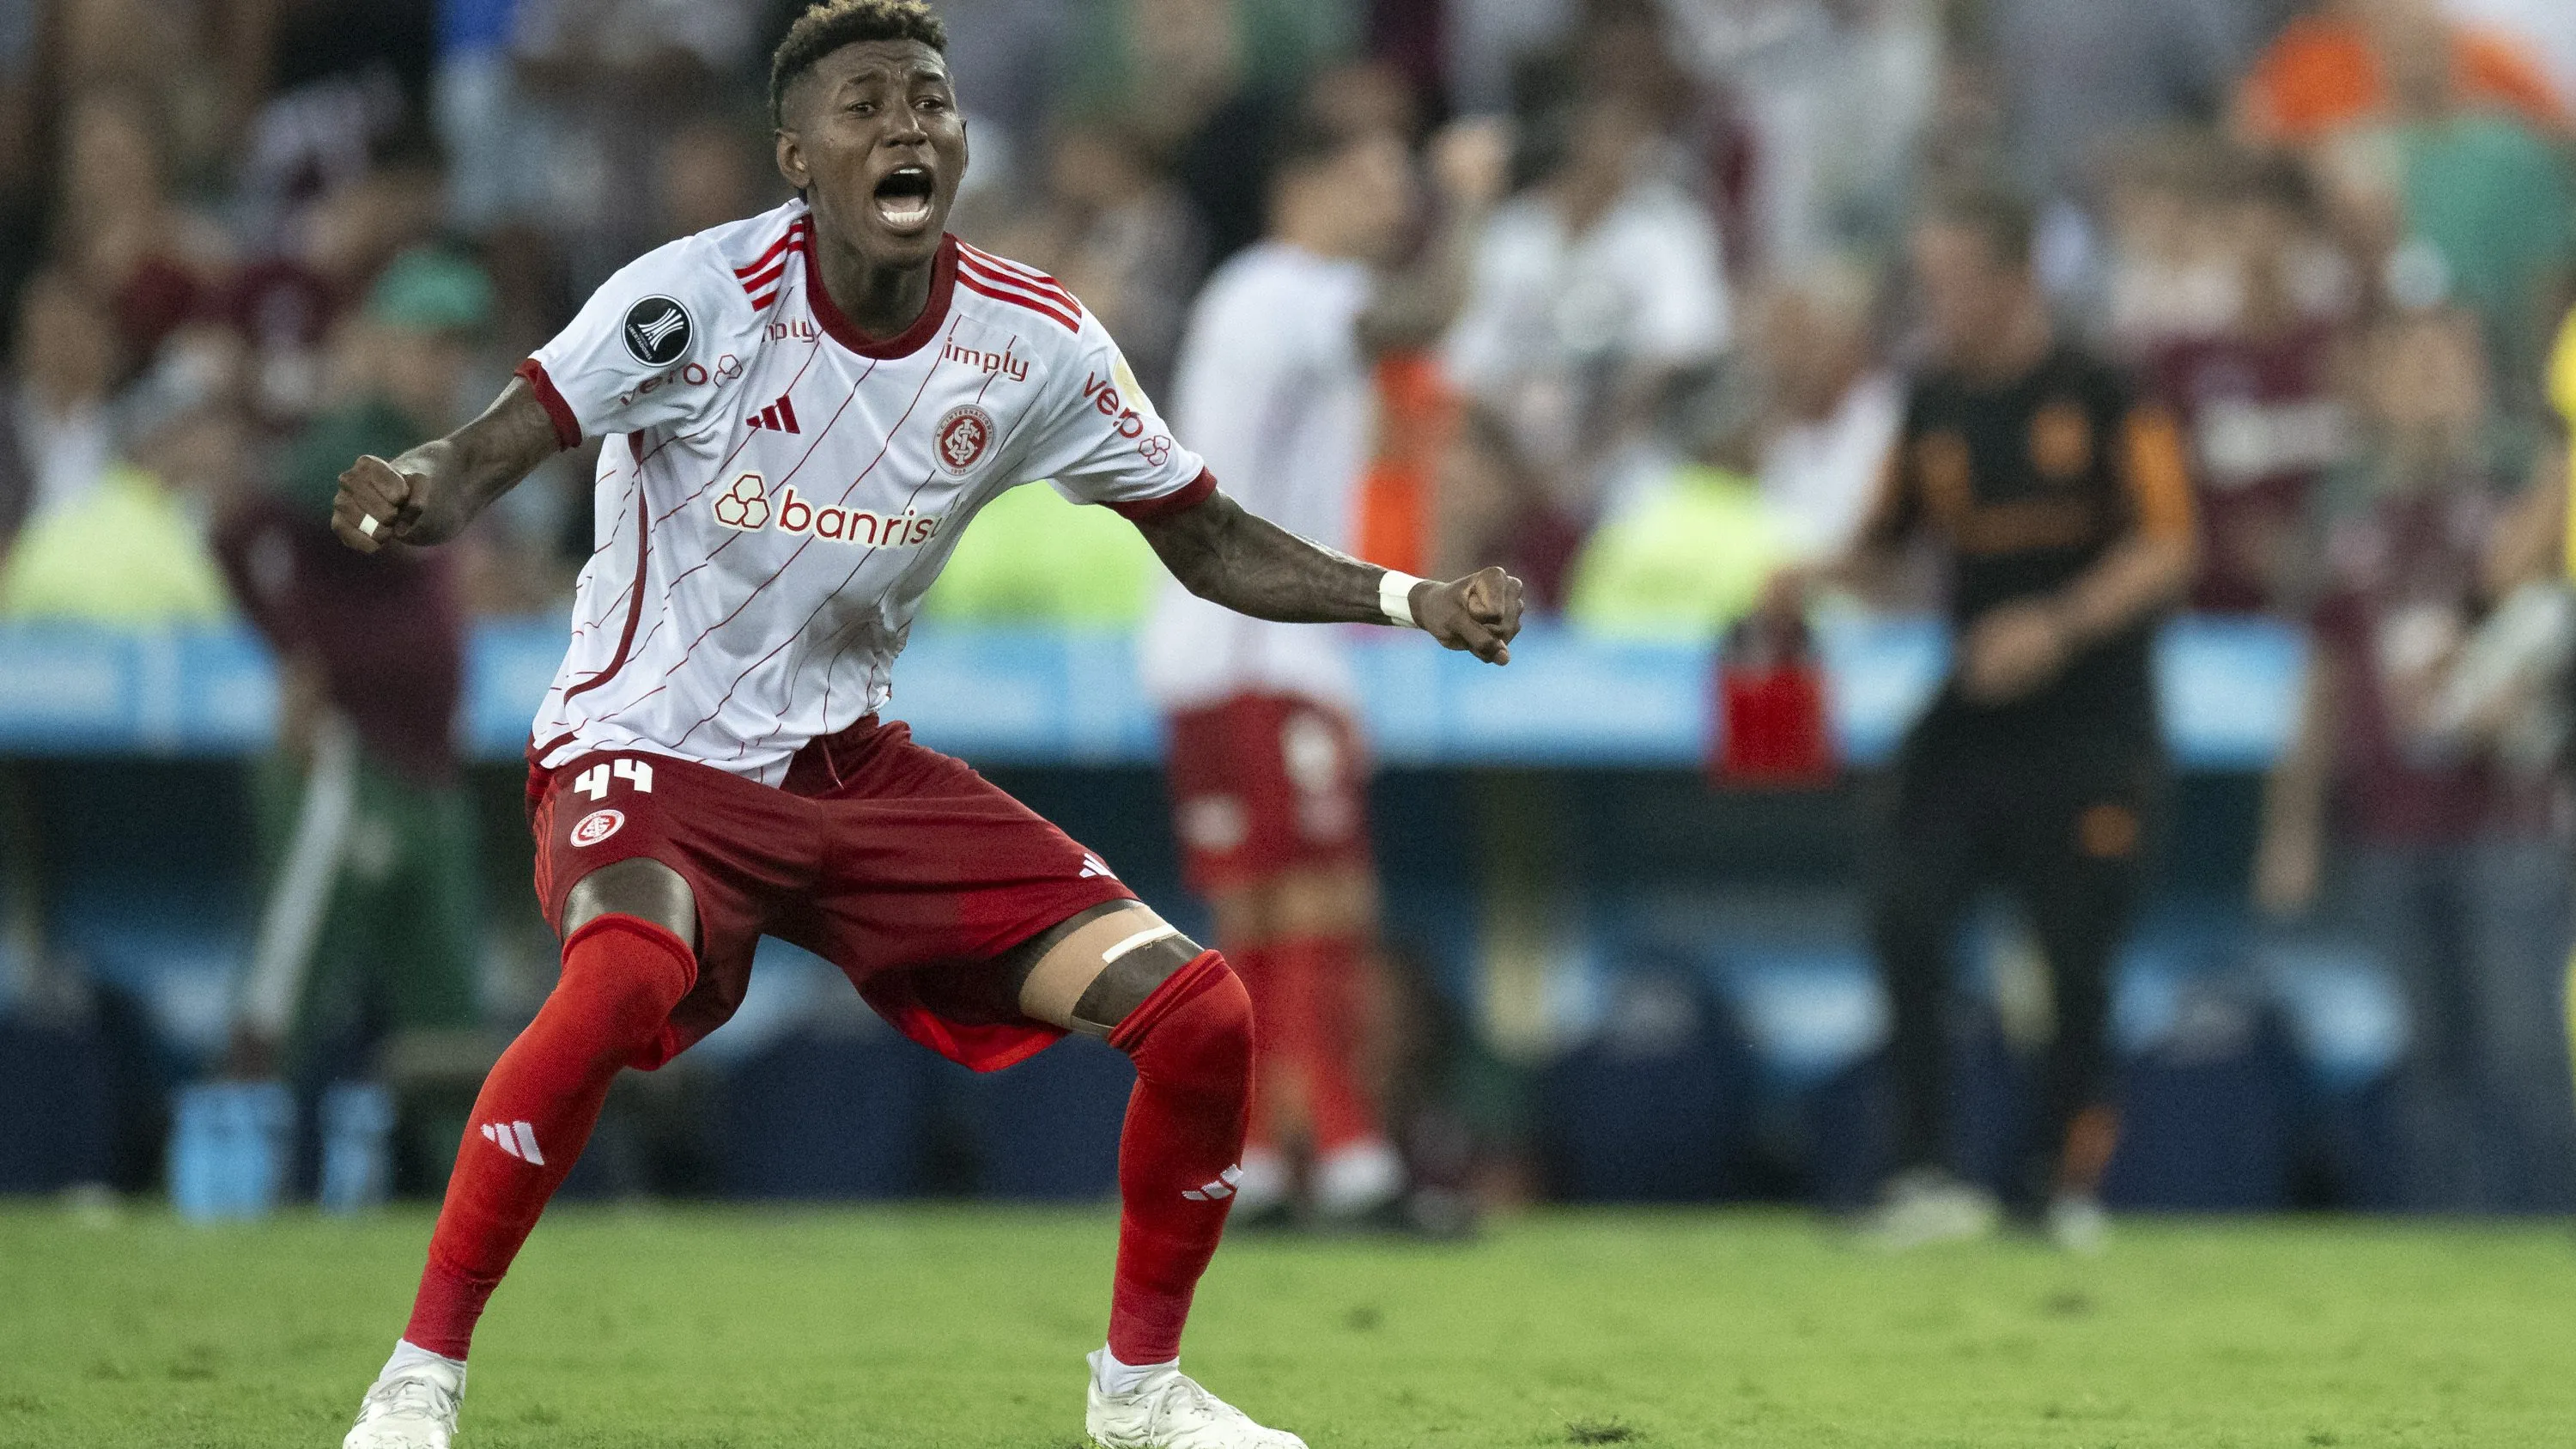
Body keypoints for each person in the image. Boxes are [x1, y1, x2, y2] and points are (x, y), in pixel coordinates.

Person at [330, 5, 1524, 1448]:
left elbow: (1205, 540)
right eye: (866, 106)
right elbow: (489, 451)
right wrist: (411, 489)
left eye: (931, 102)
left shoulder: (1035, 344)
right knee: (614, 983)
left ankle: (1140, 1396)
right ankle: (419, 1377)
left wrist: (1409, 598)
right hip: (647, 752)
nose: (907, 124)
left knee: (1201, 1012)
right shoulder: (692, 300)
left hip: (850, 771)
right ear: (798, 158)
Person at [1141, 99, 1500, 1231]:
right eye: (1380, 171)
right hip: (1263, 653)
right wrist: (1476, 200)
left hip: (1220, 650)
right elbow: (1425, 310)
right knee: (1323, 903)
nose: (1396, 196)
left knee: (1262, 916)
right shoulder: (1285, 289)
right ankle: (1346, 1160)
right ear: (1310, 177)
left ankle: (1264, 1161)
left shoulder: (1249, 297)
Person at [1823, 183, 2199, 1251]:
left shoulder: (2106, 390)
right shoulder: (1931, 400)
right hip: (1973, 711)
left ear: (2016, 279)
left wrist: (2059, 625)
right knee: (1905, 913)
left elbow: (2170, 545)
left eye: (1948, 281)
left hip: (2094, 720)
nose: (1930, 302)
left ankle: (2052, 1184)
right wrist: (1805, 574)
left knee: (2074, 957)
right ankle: (1924, 1171)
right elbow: (1887, 538)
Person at [213, 250, 486, 1171]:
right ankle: (229, 1180)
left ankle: (475, 1213)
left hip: (423, 764)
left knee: (449, 1002)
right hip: (347, 757)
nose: (443, 366)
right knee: (290, 983)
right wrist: (294, 657)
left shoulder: (442, 452)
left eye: (457, 347)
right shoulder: (356, 443)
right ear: (382, 346)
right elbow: (241, 526)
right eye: (427, 344)